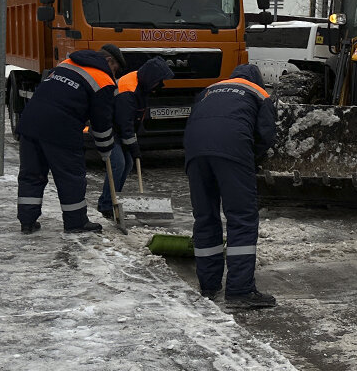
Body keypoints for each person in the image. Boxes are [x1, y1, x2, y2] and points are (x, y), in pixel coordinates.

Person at [183, 63, 278, 308]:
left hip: (194, 152)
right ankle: (239, 291)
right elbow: (265, 135)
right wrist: (251, 160)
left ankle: (209, 285)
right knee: (242, 217)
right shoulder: (259, 93)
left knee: (205, 216)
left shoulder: (208, 91)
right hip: (232, 149)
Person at [15, 47, 122, 234]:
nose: (115, 74)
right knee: (71, 177)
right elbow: (101, 122)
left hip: (30, 122)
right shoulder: (103, 80)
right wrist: (106, 150)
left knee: (32, 175)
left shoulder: (67, 64)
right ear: (109, 60)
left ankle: (27, 221)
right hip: (61, 129)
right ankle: (76, 222)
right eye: (116, 68)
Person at [98, 55, 174, 218]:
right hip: (107, 127)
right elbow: (124, 123)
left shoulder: (141, 85)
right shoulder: (129, 90)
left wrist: (132, 145)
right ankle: (106, 204)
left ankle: (114, 200)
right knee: (118, 163)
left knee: (128, 163)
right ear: (151, 77)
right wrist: (134, 147)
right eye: (158, 81)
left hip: (119, 128)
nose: (159, 86)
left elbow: (132, 121)